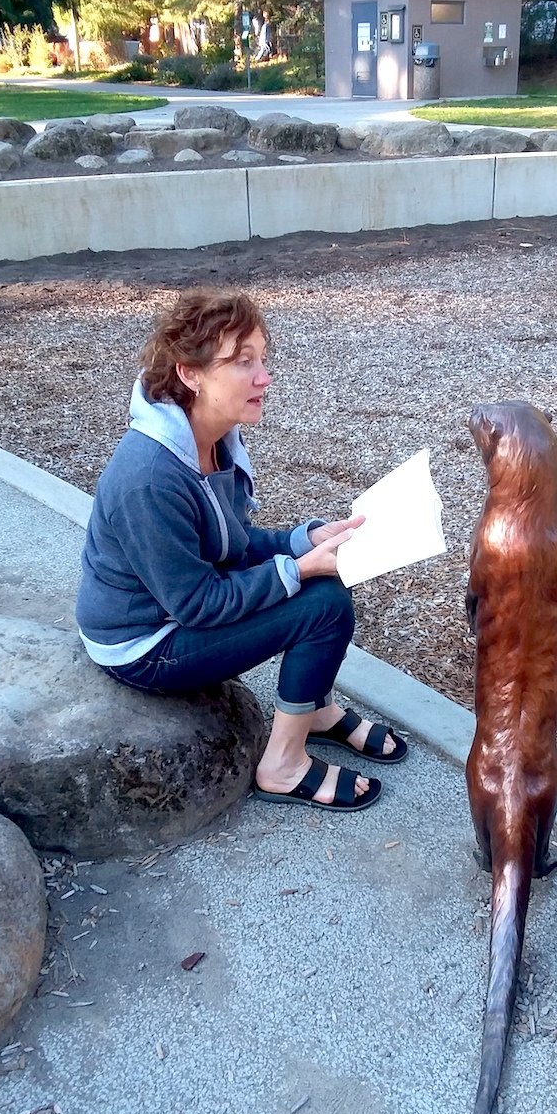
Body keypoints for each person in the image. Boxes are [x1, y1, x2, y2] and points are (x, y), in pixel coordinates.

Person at [76, 287, 406, 813]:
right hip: (143, 643)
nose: (264, 377)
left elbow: (227, 543)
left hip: (175, 609)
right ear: (190, 374)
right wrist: (297, 569)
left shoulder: (211, 438)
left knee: (323, 580)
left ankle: (314, 711)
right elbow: (199, 603)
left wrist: (306, 540)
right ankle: (282, 764)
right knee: (323, 606)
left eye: (263, 360)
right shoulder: (151, 477)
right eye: (243, 363)